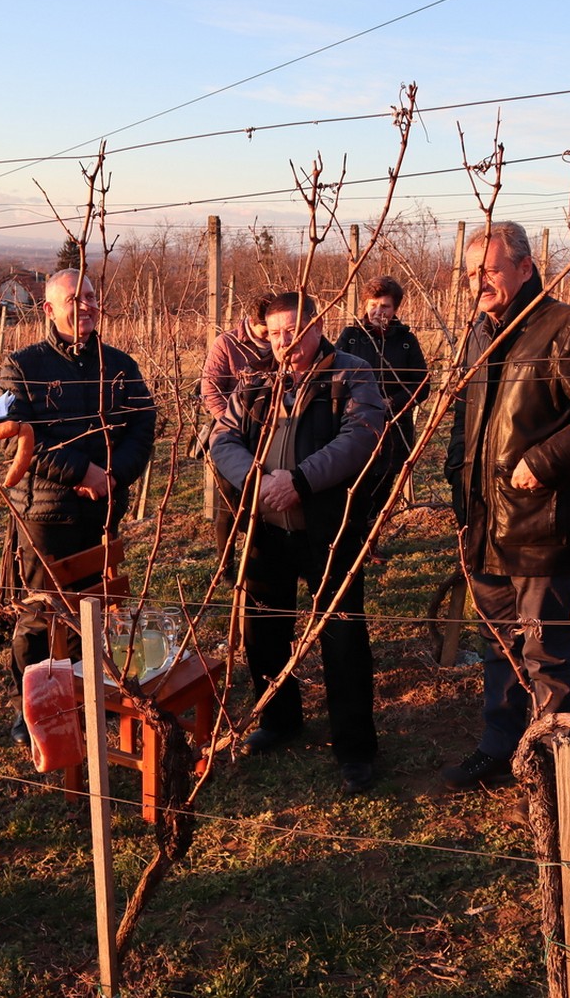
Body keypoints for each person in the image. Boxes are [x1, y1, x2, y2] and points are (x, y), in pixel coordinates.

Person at [440, 222, 570, 790]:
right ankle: (501, 748)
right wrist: (459, 476)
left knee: (545, 649)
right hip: (483, 518)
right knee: (497, 644)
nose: (479, 283)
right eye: (472, 273)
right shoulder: (481, 332)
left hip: (541, 520)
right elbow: (465, 415)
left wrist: (544, 461)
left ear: (525, 268)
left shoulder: (567, 328)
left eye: (490, 271)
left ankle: (557, 763)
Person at [210, 290, 386, 794]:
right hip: (267, 525)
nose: (285, 342)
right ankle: (279, 719)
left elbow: (361, 435)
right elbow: (223, 438)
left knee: (343, 636)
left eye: (294, 330)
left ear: (315, 325)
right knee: (264, 628)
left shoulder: (350, 372)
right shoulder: (257, 380)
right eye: (275, 333)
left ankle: (354, 747)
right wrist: (257, 479)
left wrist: (301, 480)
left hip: (328, 530)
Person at [0, 269, 157, 743]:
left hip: (104, 506)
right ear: (49, 308)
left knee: (97, 606)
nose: (86, 305)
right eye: (75, 298)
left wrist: (113, 476)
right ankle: (38, 710)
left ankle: (89, 695)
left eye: (91, 296)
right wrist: (80, 472)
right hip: (46, 511)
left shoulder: (120, 364)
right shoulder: (22, 366)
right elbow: (16, 441)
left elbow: (143, 425)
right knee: (42, 614)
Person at [334, 274, 430, 523]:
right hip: (354, 425)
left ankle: (370, 539)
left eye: (385, 306)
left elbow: (421, 385)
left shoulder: (406, 341)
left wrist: (392, 403)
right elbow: (334, 378)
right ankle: (351, 538)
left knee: (383, 483)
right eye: (372, 305)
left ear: (395, 309)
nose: (378, 311)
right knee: (352, 484)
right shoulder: (350, 337)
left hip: (393, 426)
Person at [200, 292, 276, 556]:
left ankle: (263, 556)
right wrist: (231, 426)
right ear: (252, 323)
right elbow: (210, 388)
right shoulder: (227, 343)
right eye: (266, 332)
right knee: (229, 503)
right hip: (231, 437)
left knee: (266, 498)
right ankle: (226, 562)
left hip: (271, 434)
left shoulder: (282, 344)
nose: (271, 337)